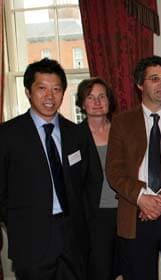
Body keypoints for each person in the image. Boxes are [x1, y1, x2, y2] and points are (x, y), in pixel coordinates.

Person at [0, 58, 102, 279]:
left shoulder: (77, 134)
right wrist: (20, 224)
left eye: (56, 89)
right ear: (28, 91)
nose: (50, 96)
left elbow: (90, 184)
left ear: (63, 93)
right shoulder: (7, 135)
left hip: (73, 240)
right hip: (31, 243)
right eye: (42, 89)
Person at [105, 56, 161, 279]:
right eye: (154, 78)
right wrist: (142, 198)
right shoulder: (121, 123)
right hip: (136, 213)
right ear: (139, 84)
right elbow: (114, 172)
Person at [76, 78, 123, 280]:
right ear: (82, 103)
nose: (97, 102)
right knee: (100, 271)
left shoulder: (123, 131)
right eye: (90, 97)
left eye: (102, 96)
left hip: (125, 212)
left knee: (125, 269)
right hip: (93, 217)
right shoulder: (73, 136)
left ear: (109, 100)